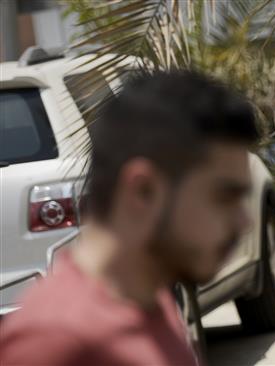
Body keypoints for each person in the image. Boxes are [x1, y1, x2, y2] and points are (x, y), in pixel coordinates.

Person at [0, 71, 258, 365]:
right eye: (223, 197)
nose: (244, 222)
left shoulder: (150, 297)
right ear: (143, 191)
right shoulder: (52, 342)